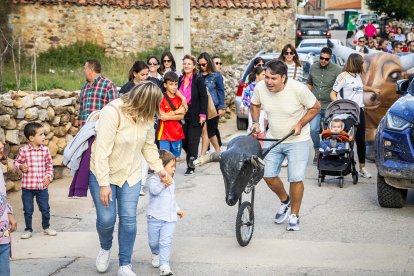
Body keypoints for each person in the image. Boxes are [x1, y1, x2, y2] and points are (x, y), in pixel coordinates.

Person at [89, 81, 170, 276]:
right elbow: (101, 153)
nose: (155, 111)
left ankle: (125, 264)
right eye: (154, 106)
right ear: (145, 103)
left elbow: (148, 146)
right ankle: (105, 248)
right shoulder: (112, 112)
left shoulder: (147, 117)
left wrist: (160, 170)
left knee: (128, 220)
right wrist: (103, 184)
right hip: (103, 172)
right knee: (107, 219)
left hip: (131, 174)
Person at [250, 59, 320, 231]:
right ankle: (285, 201)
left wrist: (300, 124)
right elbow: (254, 104)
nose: (268, 82)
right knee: (266, 175)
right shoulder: (260, 87)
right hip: (273, 138)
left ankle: (294, 215)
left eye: (273, 78)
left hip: (297, 140)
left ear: (283, 78)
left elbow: (315, 107)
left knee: (295, 178)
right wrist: (256, 122)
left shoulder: (298, 89)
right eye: (266, 77)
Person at [330, 53, 380, 179]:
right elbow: (333, 93)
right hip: (347, 112)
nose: (363, 64)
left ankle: (362, 168)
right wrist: (339, 107)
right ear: (356, 62)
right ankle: (338, 165)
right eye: (361, 62)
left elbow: (361, 87)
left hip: (360, 111)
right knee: (344, 139)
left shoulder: (357, 75)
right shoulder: (343, 76)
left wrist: (373, 90)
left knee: (361, 141)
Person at [14, 122, 56, 239]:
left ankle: (46, 227)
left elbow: (49, 166)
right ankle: (28, 229)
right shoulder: (24, 151)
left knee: (45, 208)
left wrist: (48, 177)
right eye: (41, 134)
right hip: (27, 187)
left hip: (42, 187)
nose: (44, 137)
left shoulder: (45, 150)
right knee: (28, 210)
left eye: (44, 134)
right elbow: (16, 162)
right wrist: (21, 167)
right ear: (31, 138)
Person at [147, 150, 184, 276]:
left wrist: (177, 209)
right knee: (153, 242)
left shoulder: (172, 182)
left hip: (169, 218)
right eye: (171, 166)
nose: (174, 169)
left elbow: (171, 199)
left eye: (175, 166)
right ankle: (155, 253)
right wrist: (163, 183)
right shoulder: (153, 180)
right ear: (162, 167)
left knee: (165, 241)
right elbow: (154, 191)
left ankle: (164, 265)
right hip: (155, 217)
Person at [119, 61, 151, 196]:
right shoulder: (126, 89)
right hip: (129, 126)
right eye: (142, 74)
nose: (145, 77)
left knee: (144, 155)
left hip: (145, 125)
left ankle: (141, 184)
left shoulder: (148, 87)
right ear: (135, 74)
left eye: (146, 74)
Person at [307, 47, 342, 164]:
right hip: (315, 106)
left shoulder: (337, 70)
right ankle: (317, 150)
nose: (323, 61)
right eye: (321, 58)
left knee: (330, 131)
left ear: (330, 58)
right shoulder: (313, 67)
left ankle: (328, 151)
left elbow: (340, 88)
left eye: (326, 59)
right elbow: (310, 84)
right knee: (313, 129)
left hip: (330, 107)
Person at [178, 54, 208, 175]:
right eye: (185, 63)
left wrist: (203, 115)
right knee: (184, 140)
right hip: (182, 113)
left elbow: (204, 97)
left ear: (194, 66)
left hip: (195, 113)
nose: (186, 66)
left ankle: (191, 165)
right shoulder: (180, 79)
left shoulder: (198, 79)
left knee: (193, 140)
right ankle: (191, 156)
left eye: (189, 64)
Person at [197, 52, 225, 156]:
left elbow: (220, 91)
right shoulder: (197, 75)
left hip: (214, 106)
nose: (201, 67)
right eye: (199, 64)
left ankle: (216, 152)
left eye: (203, 64)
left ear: (208, 63)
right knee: (205, 131)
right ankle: (205, 154)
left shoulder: (216, 76)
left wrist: (221, 107)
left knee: (211, 131)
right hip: (202, 107)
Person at [79, 59, 118, 127]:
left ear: (91, 70)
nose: (84, 70)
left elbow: (115, 110)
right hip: (84, 131)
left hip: (101, 129)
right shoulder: (84, 86)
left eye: (85, 68)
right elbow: (81, 110)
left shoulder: (109, 85)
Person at [157, 72, 185, 158]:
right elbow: (162, 117)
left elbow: (182, 116)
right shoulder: (161, 98)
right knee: (165, 158)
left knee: (175, 158)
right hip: (164, 135)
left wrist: (167, 116)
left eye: (176, 84)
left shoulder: (179, 99)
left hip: (177, 134)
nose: (174, 87)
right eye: (171, 84)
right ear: (165, 85)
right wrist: (177, 112)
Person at [0, 142, 17, 276]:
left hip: (2, 226)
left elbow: (2, 196)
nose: (2, 153)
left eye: (2, 149)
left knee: (4, 254)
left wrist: (9, 213)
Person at [241, 66, 266, 136]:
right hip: (253, 112)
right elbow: (246, 100)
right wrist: (255, 106)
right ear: (257, 75)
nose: (265, 77)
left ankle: (261, 144)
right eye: (263, 75)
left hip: (264, 111)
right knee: (253, 128)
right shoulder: (251, 86)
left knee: (262, 129)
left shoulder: (266, 86)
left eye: (265, 75)